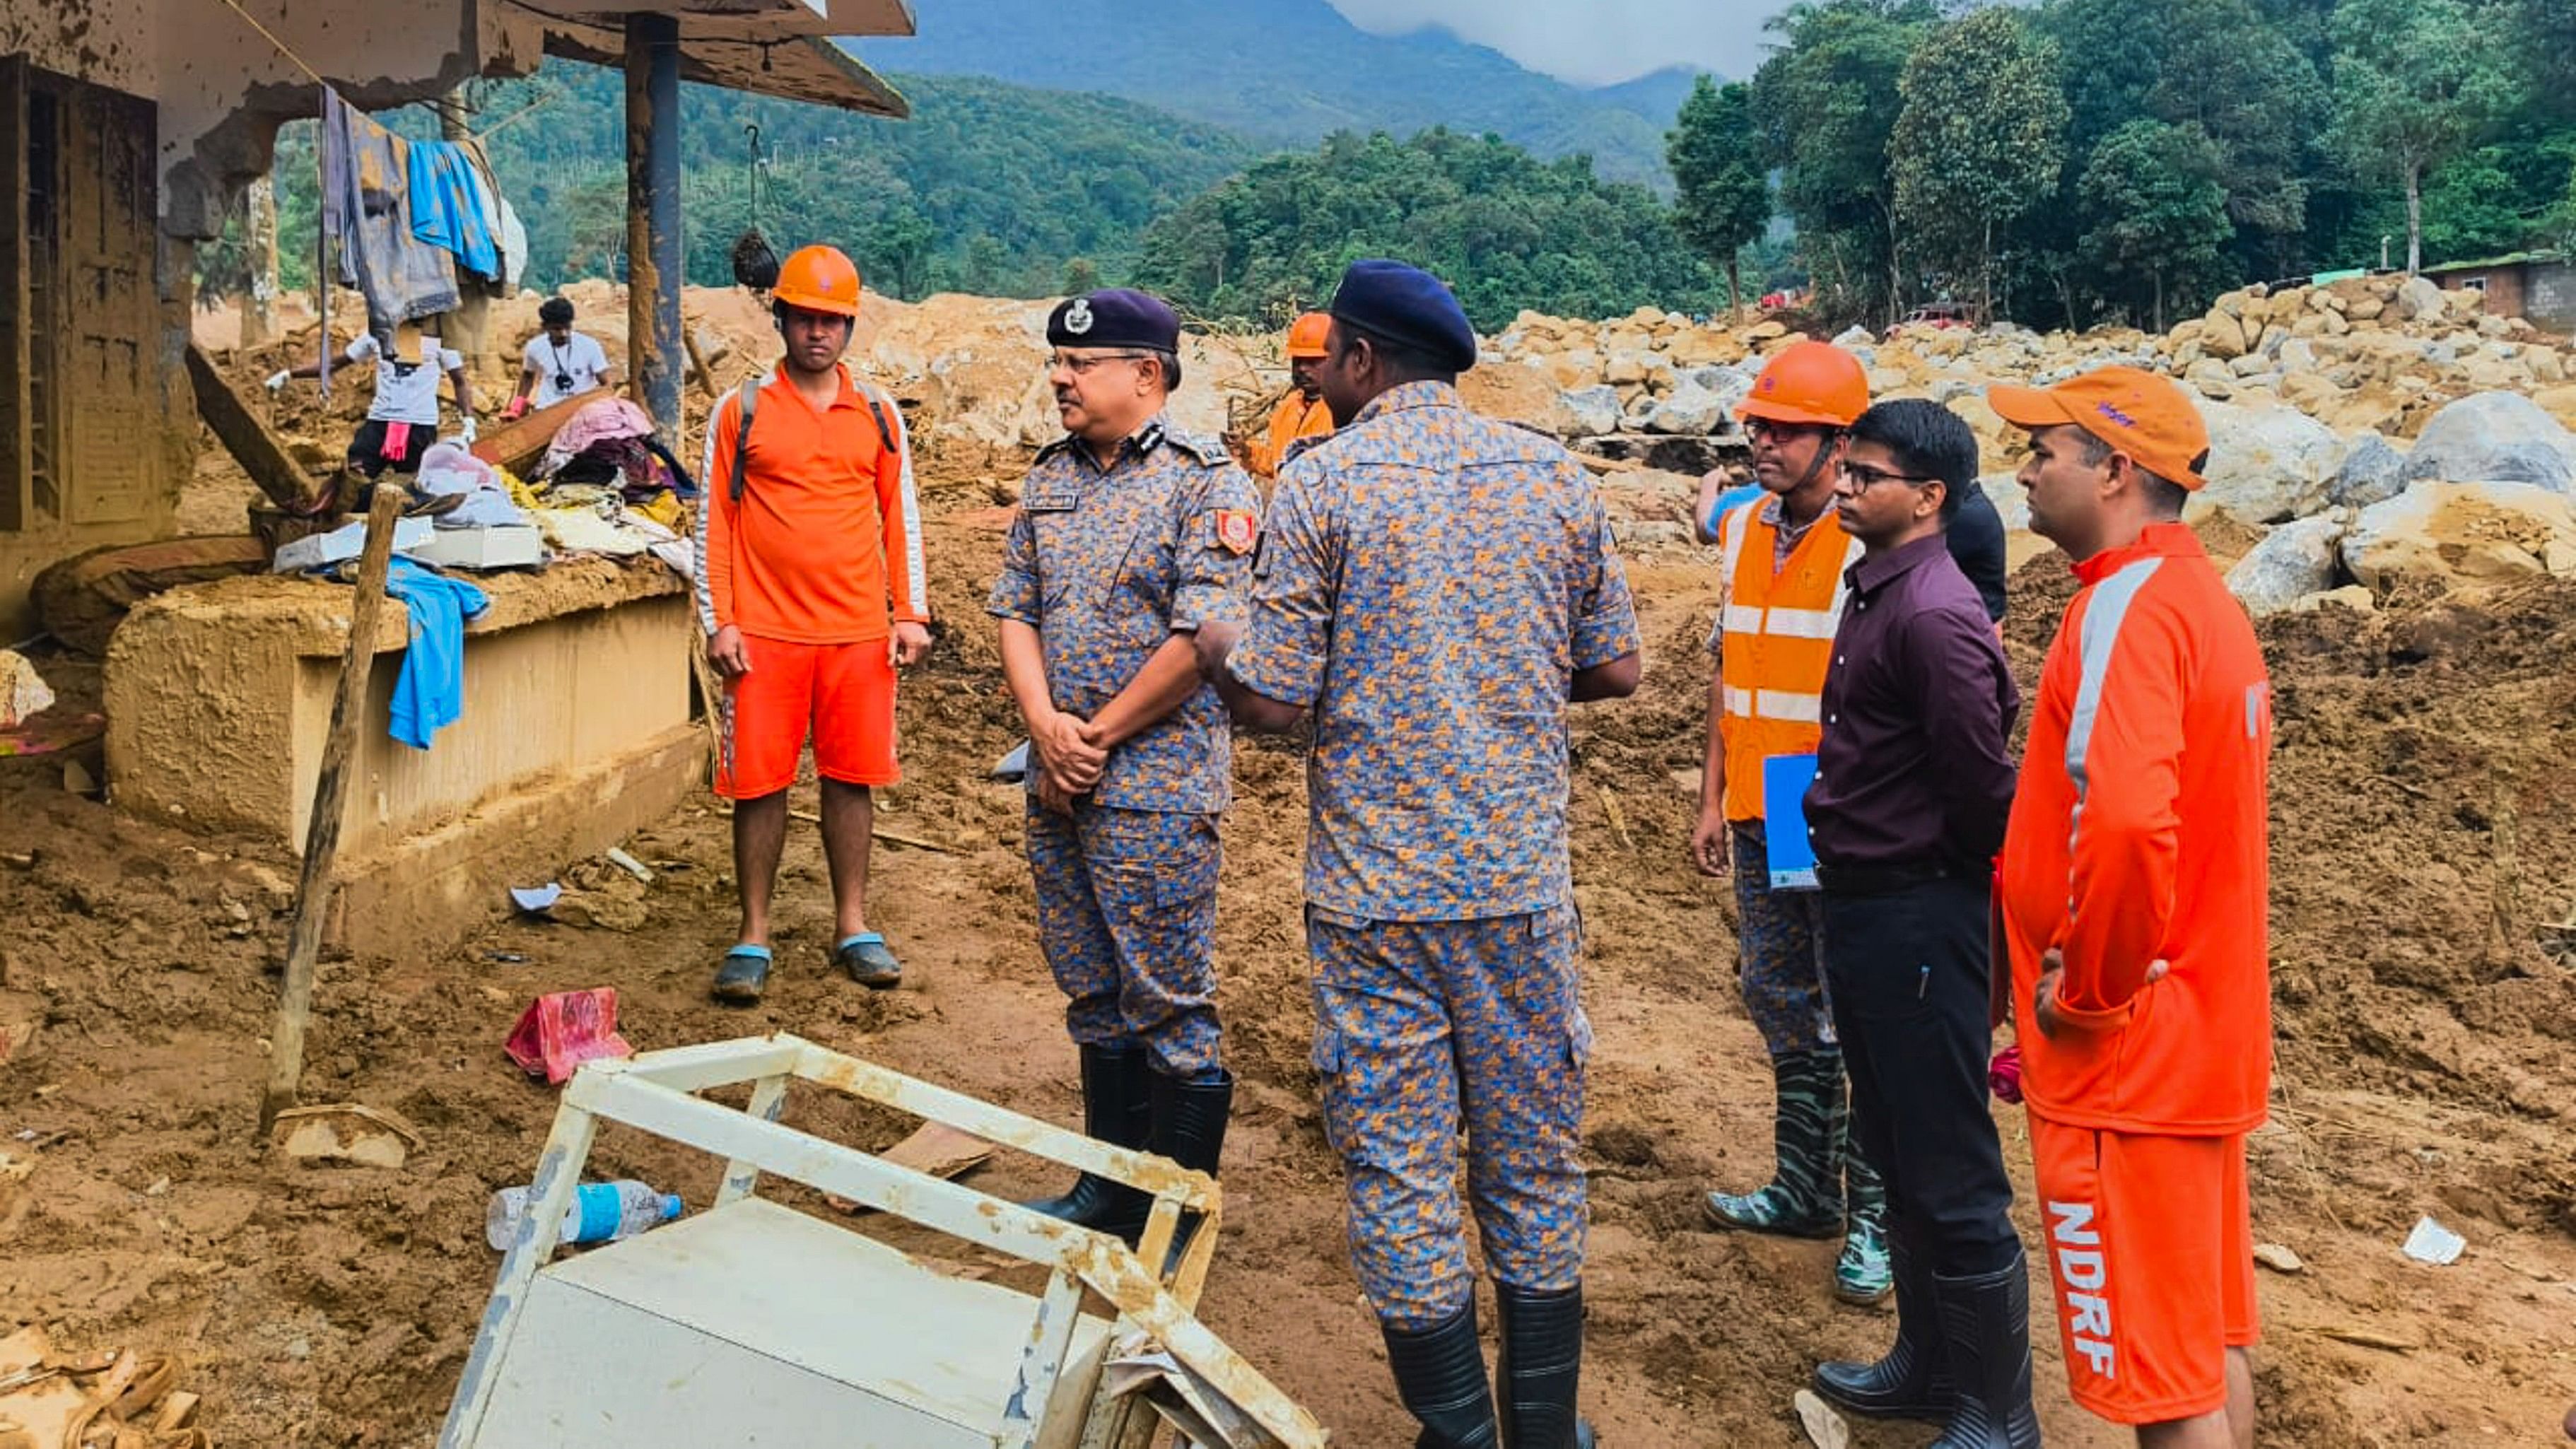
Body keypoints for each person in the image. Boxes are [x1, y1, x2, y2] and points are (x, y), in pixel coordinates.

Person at [1199, 259, 1641, 1449]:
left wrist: (1216, 640)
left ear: (1357, 361)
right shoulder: (1553, 478)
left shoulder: (1320, 485)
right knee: (1533, 1163)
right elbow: (1617, 667)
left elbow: (1277, 702)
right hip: (1516, 891)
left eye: (1327, 354)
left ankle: (1456, 1433)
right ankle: (1542, 1429)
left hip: (1373, 898)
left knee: (1399, 1168)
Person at [1990, 367, 2272, 1449]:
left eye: (2044, 451)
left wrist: (2089, 996)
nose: (2021, 470)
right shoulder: (2205, 599)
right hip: (2200, 1037)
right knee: (2202, 1340)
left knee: (2158, 1380)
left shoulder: (2127, 606)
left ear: (2115, 470)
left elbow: (2120, 825)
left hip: (2128, 1064)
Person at [991, 288, 1260, 1240]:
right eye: (1058, 362)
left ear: (1145, 375)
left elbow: (1204, 640)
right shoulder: (1050, 475)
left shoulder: (1207, 483)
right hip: (1058, 777)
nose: (1059, 377)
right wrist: (1046, 730)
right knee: (1092, 991)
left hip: (1154, 790)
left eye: (1081, 363)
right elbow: (1014, 607)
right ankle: (1110, 1190)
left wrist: (1091, 735)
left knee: (1166, 998)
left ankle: (1174, 1219)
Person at [1803, 399, 2034, 1446]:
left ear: (1928, 498)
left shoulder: (1933, 612)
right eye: (1846, 471)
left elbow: (1987, 789)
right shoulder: (1880, 590)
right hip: (1865, 906)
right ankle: (1928, 1366)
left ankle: (1998, 1409)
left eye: (1866, 476)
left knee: (1948, 1156)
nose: (1843, 488)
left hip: (1919, 912)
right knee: (1895, 1137)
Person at [1686, 339, 1892, 1306]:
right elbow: (1732, 662)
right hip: (1762, 805)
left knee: (1854, 1006)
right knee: (1776, 991)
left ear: (1840, 441)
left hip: (1831, 807)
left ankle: (1871, 1219)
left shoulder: (1866, 545)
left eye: (1784, 428)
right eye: (1757, 426)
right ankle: (1803, 1187)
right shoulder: (1743, 527)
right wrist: (1709, 793)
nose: (1762, 441)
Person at [693, 244, 932, 1004]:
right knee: (758, 785)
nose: (818, 334)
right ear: (782, 319)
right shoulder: (742, 411)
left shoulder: (877, 414)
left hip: (858, 634)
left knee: (851, 778)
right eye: (805, 319)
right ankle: (753, 933)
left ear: (849, 328)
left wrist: (911, 613)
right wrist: (720, 621)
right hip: (763, 637)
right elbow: (715, 524)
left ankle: (852, 925)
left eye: (832, 321)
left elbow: (901, 519)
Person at [267, 323, 476, 480]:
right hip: (380, 424)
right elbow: (334, 364)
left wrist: (469, 421)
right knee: (354, 478)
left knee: (417, 487)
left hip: (419, 426)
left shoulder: (439, 339)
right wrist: (288, 375)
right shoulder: (378, 333)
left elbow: (460, 381)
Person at [1246, 310, 1335, 479]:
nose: (1302, 368)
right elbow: (1276, 461)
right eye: (1298, 360)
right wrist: (1248, 453)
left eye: (1312, 361)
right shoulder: (1289, 405)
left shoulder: (1342, 410)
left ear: (1334, 360)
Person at [503, 296, 616, 418]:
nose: (564, 334)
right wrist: (517, 407)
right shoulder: (535, 346)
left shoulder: (590, 346)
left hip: (581, 412)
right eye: (557, 329)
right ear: (545, 327)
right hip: (547, 411)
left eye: (567, 327)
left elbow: (606, 383)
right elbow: (528, 376)